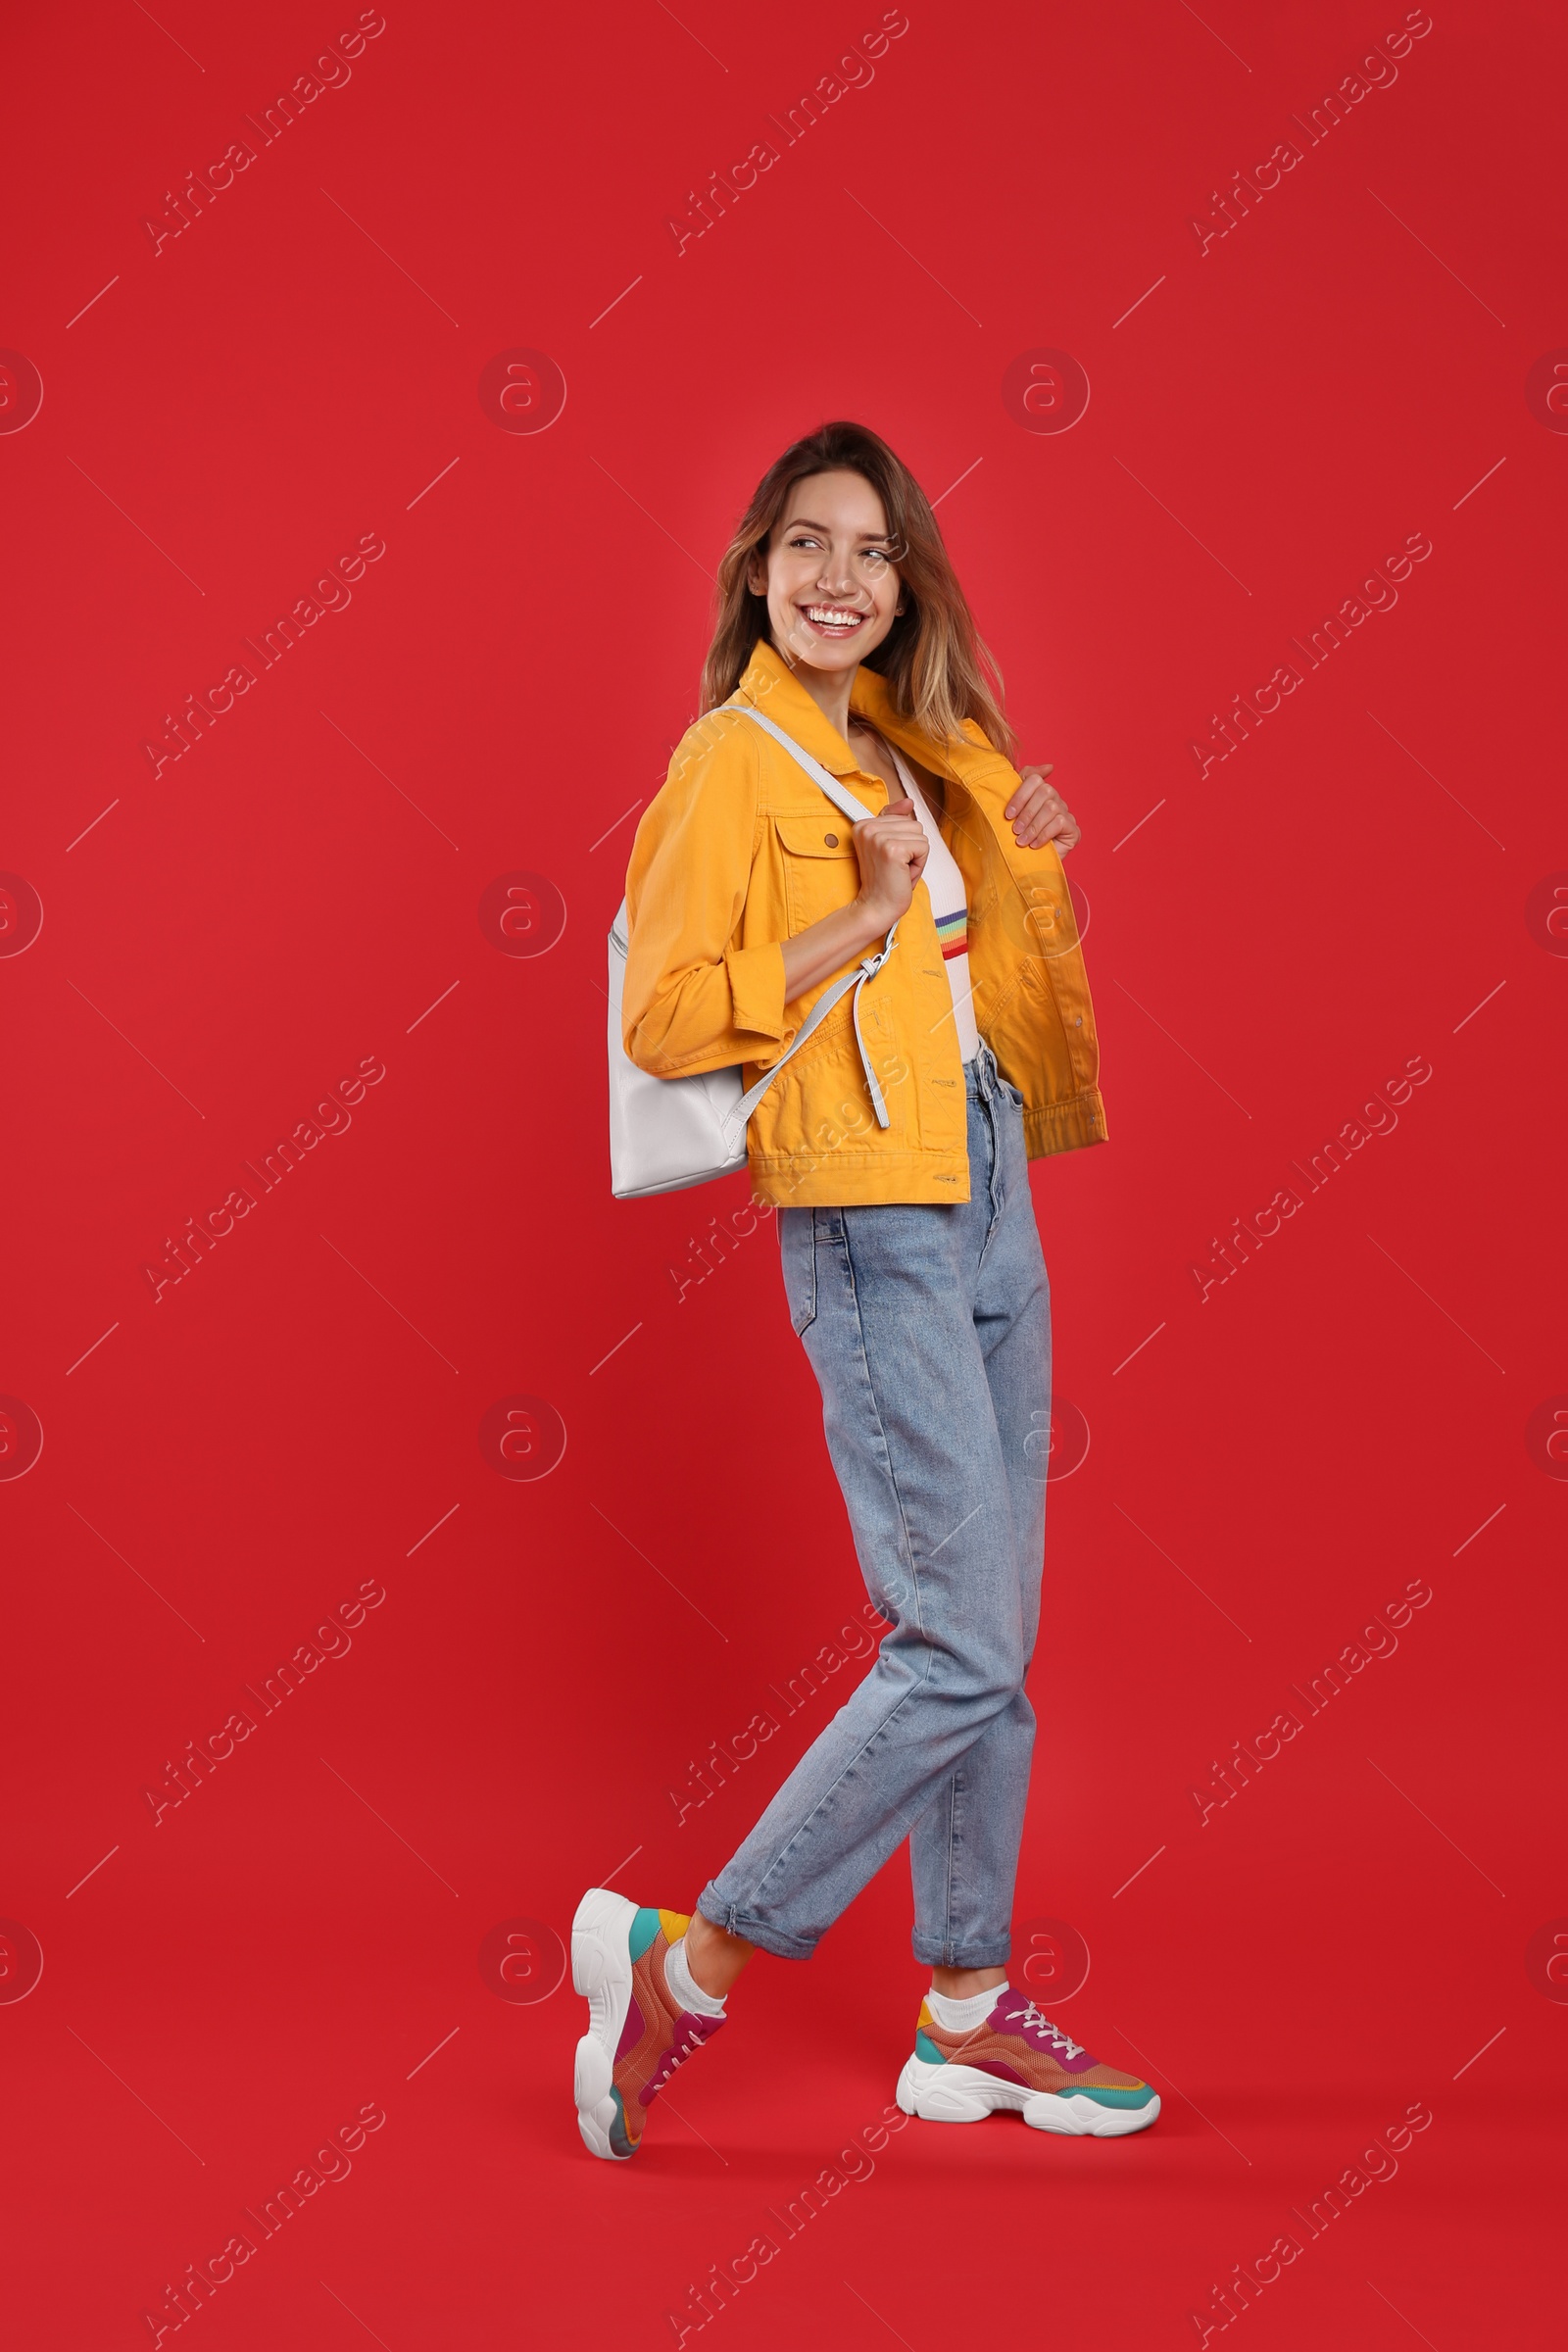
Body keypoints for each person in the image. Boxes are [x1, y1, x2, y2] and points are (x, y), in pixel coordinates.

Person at [572, 420, 1158, 2159]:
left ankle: (966, 2024)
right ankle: (694, 1960)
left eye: (876, 553)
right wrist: (861, 914)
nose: (842, 580)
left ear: (908, 589)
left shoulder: (918, 741)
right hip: (867, 1207)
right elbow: (666, 1016)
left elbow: (968, 974)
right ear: (759, 569)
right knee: (958, 1639)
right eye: (811, 547)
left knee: (1001, 1649)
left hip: (984, 1181)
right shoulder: (729, 762)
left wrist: (1015, 840)